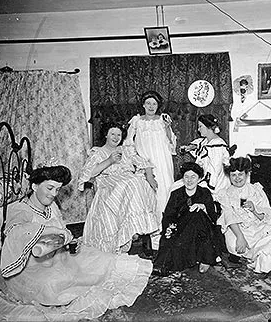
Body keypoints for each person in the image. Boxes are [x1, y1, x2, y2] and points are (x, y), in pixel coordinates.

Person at [0, 165, 152, 320]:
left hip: (55, 255)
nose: (53, 194)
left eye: (57, 189)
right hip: (29, 265)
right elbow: (16, 232)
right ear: (34, 186)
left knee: (103, 260)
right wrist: (53, 231)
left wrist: (70, 241)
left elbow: (61, 230)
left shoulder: (52, 206)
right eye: (49, 188)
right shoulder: (21, 210)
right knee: (53, 285)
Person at [78, 121, 159, 255]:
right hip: (108, 182)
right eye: (112, 134)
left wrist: (150, 176)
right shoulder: (98, 152)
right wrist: (109, 160)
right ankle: (131, 232)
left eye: (119, 135)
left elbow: (144, 163)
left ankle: (138, 229)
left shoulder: (125, 151)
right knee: (131, 183)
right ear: (106, 135)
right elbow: (88, 173)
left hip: (127, 181)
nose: (116, 137)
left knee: (141, 183)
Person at [215, 157, 271, 284]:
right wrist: (240, 237)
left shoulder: (256, 190)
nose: (237, 178)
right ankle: (263, 265)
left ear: (247, 174)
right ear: (229, 176)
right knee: (235, 244)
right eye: (233, 175)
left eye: (240, 174)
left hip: (257, 225)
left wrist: (254, 209)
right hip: (237, 228)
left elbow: (266, 214)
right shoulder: (225, 193)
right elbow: (229, 217)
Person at [125, 90, 176, 249]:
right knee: (148, 196)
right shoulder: (136, 121)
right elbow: (128, 144)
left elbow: (171, 143)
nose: (151, 106)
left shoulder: (163, 119)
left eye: (154, 104)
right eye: (148, 103)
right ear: (143, 105)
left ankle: (166, 230)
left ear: (158, 105)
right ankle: (150, 235)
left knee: (165, 192)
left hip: (163, 161)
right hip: (145, 163)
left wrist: (168, 128)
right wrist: (138, 162)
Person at [153, 162, 222, 276]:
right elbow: (168, 216)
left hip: (203, 228)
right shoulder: (176, 194)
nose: (189, 180)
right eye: (186, 177)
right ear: (183, 178)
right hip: (182, 228)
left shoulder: (204, 193)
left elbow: (213, 218)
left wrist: (203, 207)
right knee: (169, 236)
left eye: (193, 177)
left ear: (199, 179)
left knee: (197, 214)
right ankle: (163, 264)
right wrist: (170, 227)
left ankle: (206, 257)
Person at [179, 114, 233, 194]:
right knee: (176, 187)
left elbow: (215, 170)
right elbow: (198, 143)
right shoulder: (206, 141)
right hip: (202, 177)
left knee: (181, 190)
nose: (198, 129)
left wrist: (208, 186)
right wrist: (190, 147)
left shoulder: (217, 146)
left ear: (209, 127)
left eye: (200, 126)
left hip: (215, 182)